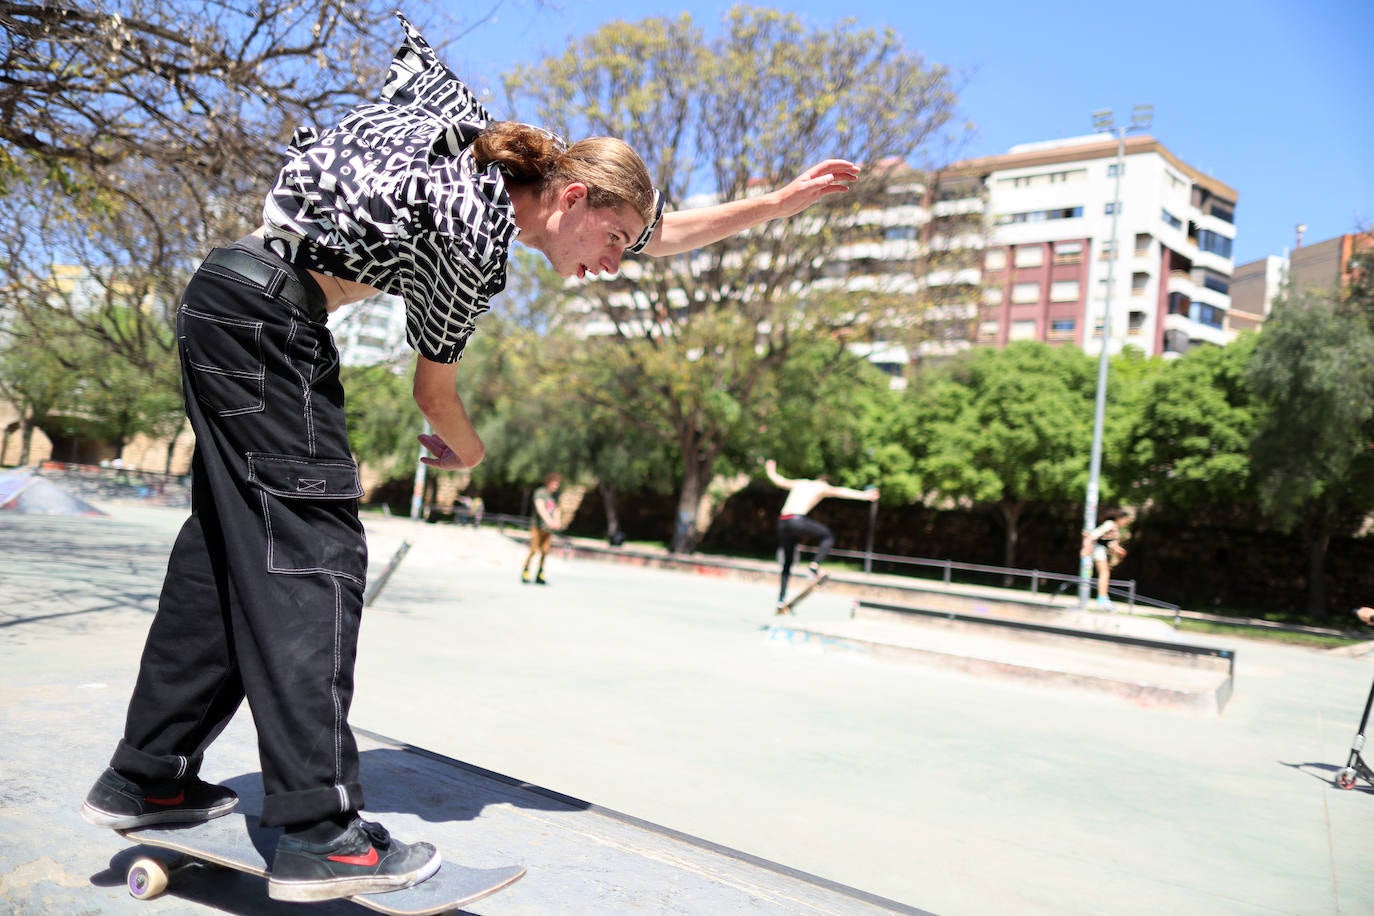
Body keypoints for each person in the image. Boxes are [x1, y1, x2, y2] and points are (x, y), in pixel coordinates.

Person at [78, 13, 860, 904]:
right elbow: (433, 397)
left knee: (227, 550)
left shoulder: (488, 154)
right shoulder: (477, 229)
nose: (615, 264)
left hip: (228, 301)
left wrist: (776, 204)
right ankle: (316, 831)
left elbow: (664, 232)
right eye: (610, 243)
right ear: (571, 202)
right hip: (266, 327)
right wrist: (470, 449)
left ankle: (149, 775)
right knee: (314, 557)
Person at [764, 459, 879, 613]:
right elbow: (840, 492)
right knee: (828, 536)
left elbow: (779, 481)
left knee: (788, 562)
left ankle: (781, 599)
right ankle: (813, 567)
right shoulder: (822, 487)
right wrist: (864, 496)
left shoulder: (802, 482)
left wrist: (770, 470)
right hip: (796, 521)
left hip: (782, 523)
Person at [1082, 509, 1130, 610]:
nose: (1126, 523)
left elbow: (1110, 542)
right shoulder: (1110, 524)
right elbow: (1096, 534)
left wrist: (1119, 550)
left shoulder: (1115, 528)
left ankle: (1103, 598)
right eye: (1125, 520)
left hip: (1102, 551)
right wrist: (1087, 546)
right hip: (1098, 550)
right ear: (1119, 518)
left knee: (1105, 573)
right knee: (1104, 574)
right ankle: (1102, 599)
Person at [522, 472, 562, 585]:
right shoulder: (540, 493)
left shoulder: (555, 496)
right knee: (534, 549)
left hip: (548, 530)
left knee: (545, 551)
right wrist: (549, 520)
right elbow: (540, 508)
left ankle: (540, 573)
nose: (556, 486)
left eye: (557, 484)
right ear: (549, 482)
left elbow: (557, 510)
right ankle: (526, 570)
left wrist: (557, 521)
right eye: (554, 483)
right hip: (537, 526)